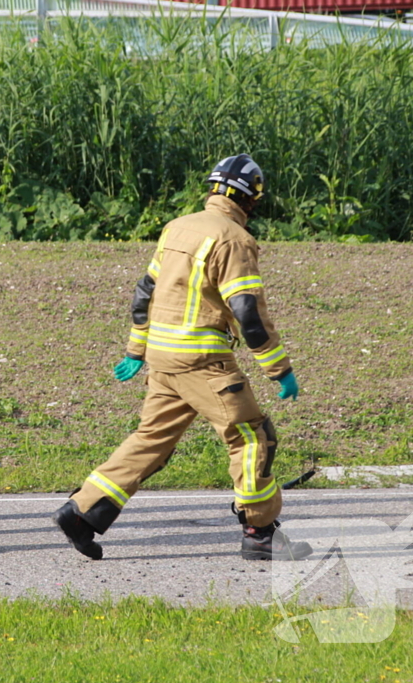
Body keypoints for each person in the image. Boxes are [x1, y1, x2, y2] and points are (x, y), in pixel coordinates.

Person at [53, 154, 312, 562]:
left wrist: (137, 349)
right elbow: (248, 312)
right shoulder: (234, 239)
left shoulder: (178, 227)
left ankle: (82, 512)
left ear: (213, 190)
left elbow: (145, 292)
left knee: (150, 440)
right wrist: (279, 370)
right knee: (252, 437)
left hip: (163, 356)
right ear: (250, 200)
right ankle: (260, 532)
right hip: (202, 361)